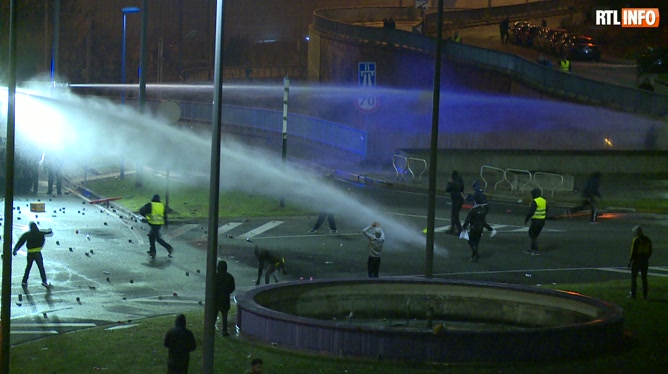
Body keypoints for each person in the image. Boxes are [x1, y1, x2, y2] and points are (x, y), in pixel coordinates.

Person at [13, 222, 53, 288]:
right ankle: (44, 281)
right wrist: (50, 230)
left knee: (28, 267)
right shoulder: (40, 233)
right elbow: (49, 233)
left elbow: (20, 242)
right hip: (37, 253)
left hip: (30, 253)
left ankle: (24, 281)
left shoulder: (27, 234)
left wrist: (15, 250)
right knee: (41, 268)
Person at [139, 194, 174, 258]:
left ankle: (169, 248)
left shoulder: (150, 205)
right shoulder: (162, 205)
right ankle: (152, 250)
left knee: (157, 238)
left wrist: (145, 217)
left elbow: (141, 211)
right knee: (151, 236)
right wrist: (166, 223)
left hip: (153, 223)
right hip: (159, 224)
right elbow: (165, 215)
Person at [628, 226, 652, 299]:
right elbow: (650, 250)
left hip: (637, 261)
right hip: (645, 260)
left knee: (634, 278)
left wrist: (630, 261)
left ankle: (633, 294)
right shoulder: (648, 239)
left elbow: (633, 252)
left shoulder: (636, 240)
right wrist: (647, 258)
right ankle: (645, 294)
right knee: (644, 278)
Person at [462, 195, 488, 262]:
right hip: (480, 228)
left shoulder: (473, 211)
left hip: (474, 228)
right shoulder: (483, 210)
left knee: (470, 241)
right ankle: (475, 253)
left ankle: (474, 254)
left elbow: (467, 220)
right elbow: (484, 221)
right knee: (476, 242)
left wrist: (464, 228)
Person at [215, 260, 236, 337]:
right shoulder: (229, 277)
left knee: (214, 314)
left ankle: (211, 329)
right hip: (225, 299)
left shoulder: (215, 276)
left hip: (216, 298)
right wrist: (227, 292)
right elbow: (232, 288)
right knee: (224, 316)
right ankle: (224, 331)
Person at [524, 188, 546, 256]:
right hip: (542, 221)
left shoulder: (534, 201)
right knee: (535, 235)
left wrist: (526, 219)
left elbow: (531, 212)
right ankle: (531, 249)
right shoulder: (543, 200)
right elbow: (546, 209)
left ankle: (536, 250)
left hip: (536, 221)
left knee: (532, 234)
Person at [445, 170, 465, 235]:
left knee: (455, 215)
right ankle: (453, 228)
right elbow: (462, 189)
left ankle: (459, 230)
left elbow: (447, 189)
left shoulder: (453, 182)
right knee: (454, 215)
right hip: (460, 199)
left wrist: (449, 182)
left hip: (456, 200)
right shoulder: (460, 180)